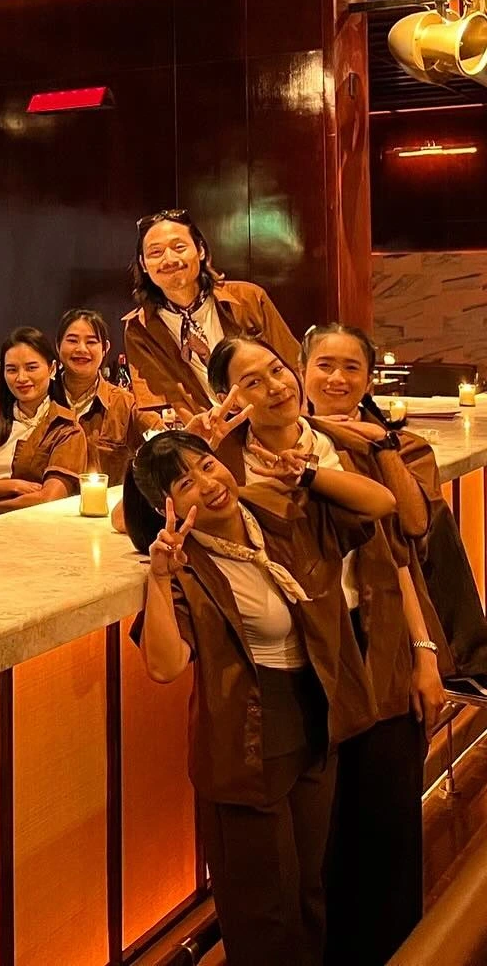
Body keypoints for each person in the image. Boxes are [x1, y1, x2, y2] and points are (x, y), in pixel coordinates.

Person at [205, 335, 445, 966]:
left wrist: (423, 652)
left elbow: (400, 550)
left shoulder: (353, 446)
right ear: (229, 397)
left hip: (375, 643)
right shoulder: (221, 464)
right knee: (318, 846)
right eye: (251, 382)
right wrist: (198, 445)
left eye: (276, 370)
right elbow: (134, 515)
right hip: (298, 666)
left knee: (385, 828)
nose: (275, 386)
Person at [133, 430, 391, 966]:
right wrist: (158, 578)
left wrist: (309, 474)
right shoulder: (186, 563)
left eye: (207, 465)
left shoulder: (275, 512)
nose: (208, 484)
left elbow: (381, 504)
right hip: (246, 742)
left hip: (316, 716)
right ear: (166, 507)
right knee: (264, 912)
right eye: (185, 484)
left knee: (308, 891)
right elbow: (164, 665)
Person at [301, 322, 487, 689]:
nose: (337, 378)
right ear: (301, 370)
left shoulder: (406, 445)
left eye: (351, 368)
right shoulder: (288, 442)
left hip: (392, 608)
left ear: (369, 380)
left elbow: (415, 523)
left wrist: (383, 444)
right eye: (324, 365)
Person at [123, 209, 298, 419]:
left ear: (201, 250)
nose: (169, 259)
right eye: (155, 252)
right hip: (207, 433)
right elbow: (159, 400)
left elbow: (293, 364)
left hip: (271, 422)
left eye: (179, 247)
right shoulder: (139, 328)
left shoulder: (248, 299)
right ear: (143, 265)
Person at [0, 328, 86, 517]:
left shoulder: (66, 429)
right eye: (12, 370)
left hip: (33, 531)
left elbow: (48, 500)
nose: (21, 378)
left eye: (31, 368)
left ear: (52, 368)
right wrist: (12, 486)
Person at [54, 308, 161, 485]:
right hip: (47, 502)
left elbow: (160, 436)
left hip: (105, 502)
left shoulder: (125, 403)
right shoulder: (41, 399)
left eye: (91, 342)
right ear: (58, 346)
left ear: (105, 349)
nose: (81, 349)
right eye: (72, 340)